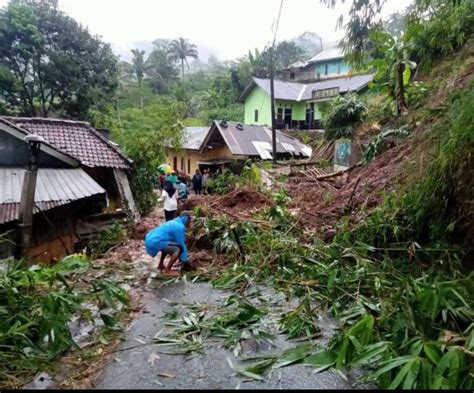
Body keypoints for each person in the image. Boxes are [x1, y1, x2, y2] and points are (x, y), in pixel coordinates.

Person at [144, 211, 194, 276]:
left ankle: (160, 265)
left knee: (169, 246)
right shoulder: (179, 226)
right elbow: (182, 244)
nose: (189, 223)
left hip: (150, 239)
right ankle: (168, 270)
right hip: (155, 242)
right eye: (189, 220)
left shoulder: (173, 222)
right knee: (178, 248)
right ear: (186, 219)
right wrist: (185, 261)